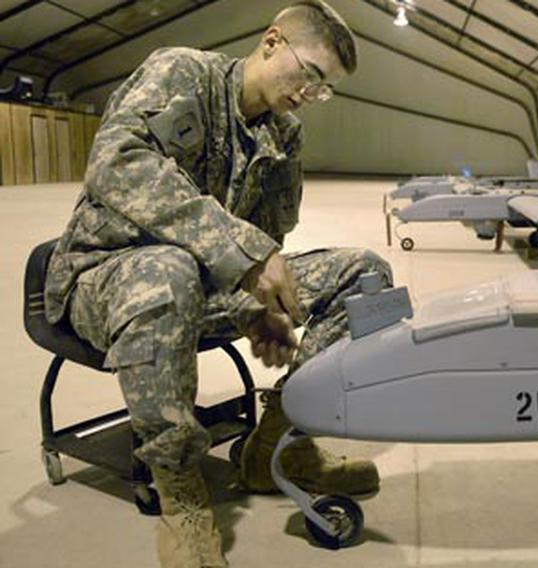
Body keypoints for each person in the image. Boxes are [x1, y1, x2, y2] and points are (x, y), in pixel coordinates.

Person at [43, 2, 390, 566]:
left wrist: (261, 310)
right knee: (168, 273)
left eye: (324, 88)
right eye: (309, 73)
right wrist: (247, 257)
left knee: (365, 273)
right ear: (273, 41)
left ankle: (281, 447)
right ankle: (179, 491)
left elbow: (265, 240)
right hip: (103, 275)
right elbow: (116, 164)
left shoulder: (284, 137)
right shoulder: (183, 73)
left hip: (202, 285)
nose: (310, 93)